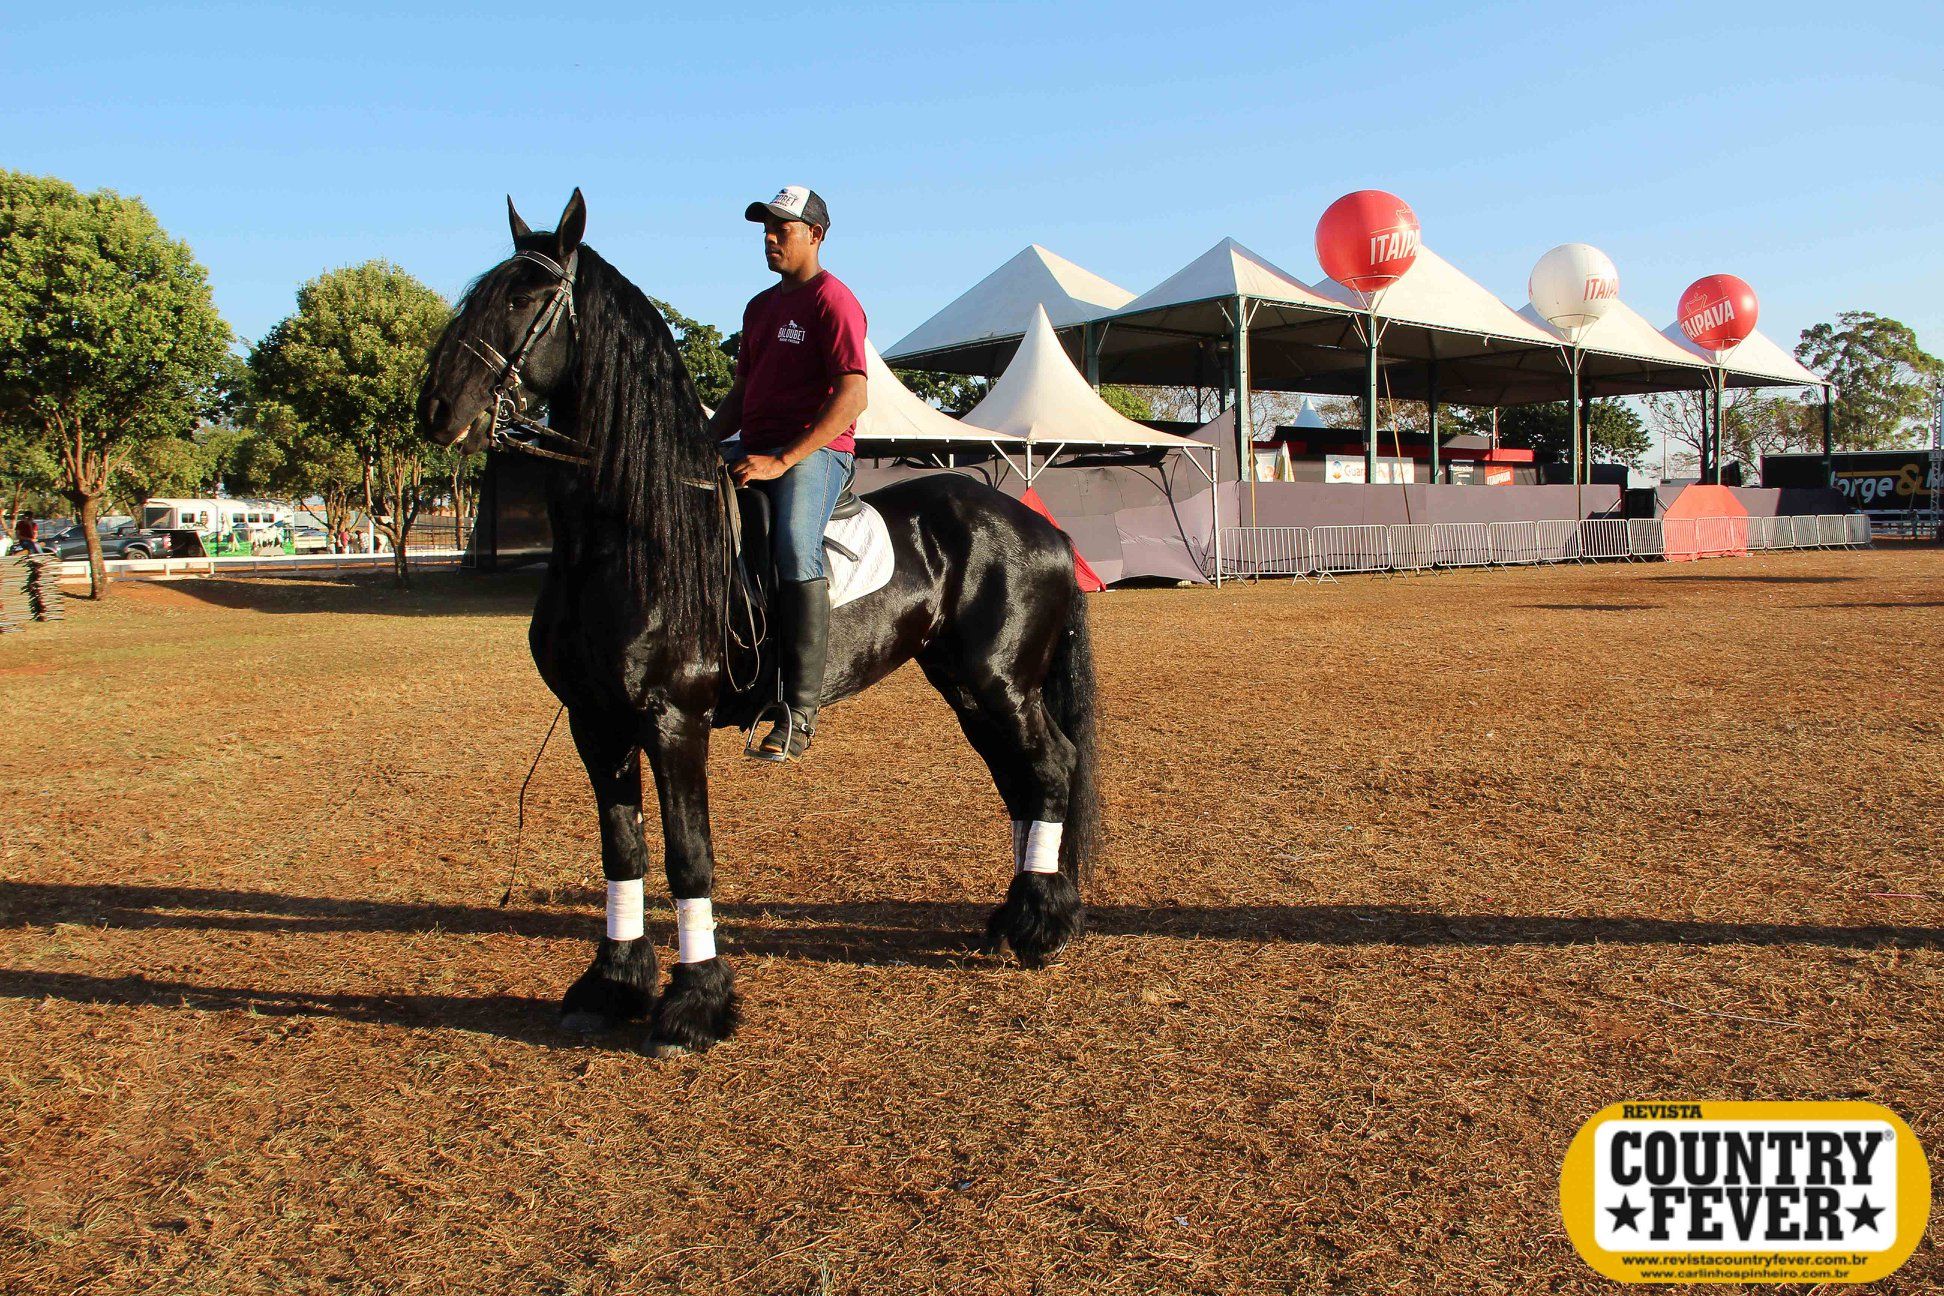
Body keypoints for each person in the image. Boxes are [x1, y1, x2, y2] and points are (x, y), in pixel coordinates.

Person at [707, 186, 869, 761]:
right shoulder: (759, 308)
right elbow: (741, 392)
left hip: (815, 453)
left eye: (783, 229)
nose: (770, 239)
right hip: (752, 445)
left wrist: (782, 459)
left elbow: (853, 396)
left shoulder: (834, 301)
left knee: (796, 546)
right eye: (766, 230)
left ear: (816, 235)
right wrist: (699, 444)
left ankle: (798, 713)